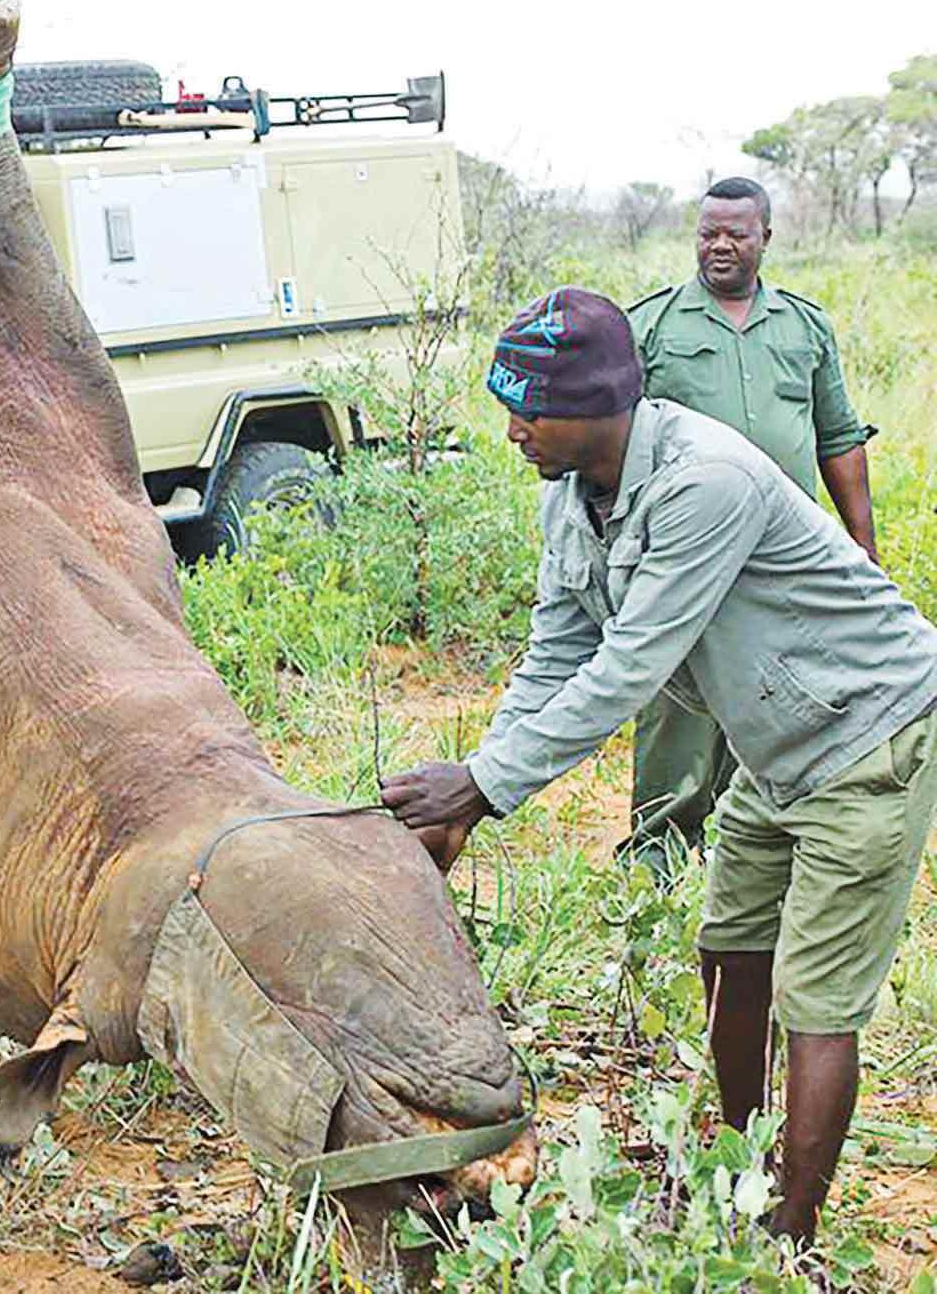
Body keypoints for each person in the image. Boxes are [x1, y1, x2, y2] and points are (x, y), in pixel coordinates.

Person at [381, 287, 937, 1248]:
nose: (513, 431)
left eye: (527, 409)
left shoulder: (703, 482)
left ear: (595, 406)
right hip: (775, 748)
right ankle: (737, 1166)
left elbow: (628, 666)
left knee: (816, 999)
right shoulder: (570, 495)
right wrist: (478, 781)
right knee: (729, 951)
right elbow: (556, 648)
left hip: (867, 735)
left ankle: (787, 1236)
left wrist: (482, 786)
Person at [621, 177, 878, 873]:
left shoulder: (804, 326)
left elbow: (838, 437)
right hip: (686, 554)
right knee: (679, 708)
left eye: (737, 232)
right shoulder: (653, 327)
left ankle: (749, 854)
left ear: (766, 236)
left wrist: (862, 549)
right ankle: (657, 862)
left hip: (785, 563)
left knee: (776, 698)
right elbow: (617, 445)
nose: (721, 245)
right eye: (709, 233)